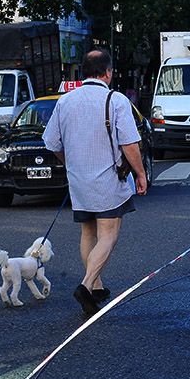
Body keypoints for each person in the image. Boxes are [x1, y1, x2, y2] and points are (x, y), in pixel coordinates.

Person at [43, 49, 147, 316]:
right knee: (109, 236)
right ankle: (87, 285)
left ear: (82, 72)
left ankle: (97, 285)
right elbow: (130, 144)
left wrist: (70, 163)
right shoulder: (116, 100)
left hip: (78, 180)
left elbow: (52, 141)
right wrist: (140, 174)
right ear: (108, 72)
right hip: (108, 181)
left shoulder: (65, 102)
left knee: (88, 233)